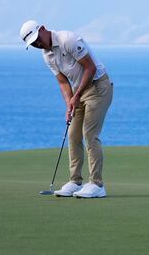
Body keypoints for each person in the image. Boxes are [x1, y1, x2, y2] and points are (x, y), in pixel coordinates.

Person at [20, 20, 113, 198]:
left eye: (37, 39)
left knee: (89, 135)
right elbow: (63, 82)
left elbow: (90, 68)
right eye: (33, 44)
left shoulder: (67, 39)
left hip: (98, 87)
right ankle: (76, 181)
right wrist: (69, 104)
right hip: (79, 91)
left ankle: (97, 185)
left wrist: (76, 96)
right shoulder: (47, 56)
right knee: (73, 134)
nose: (37, 45)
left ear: (43, 29)